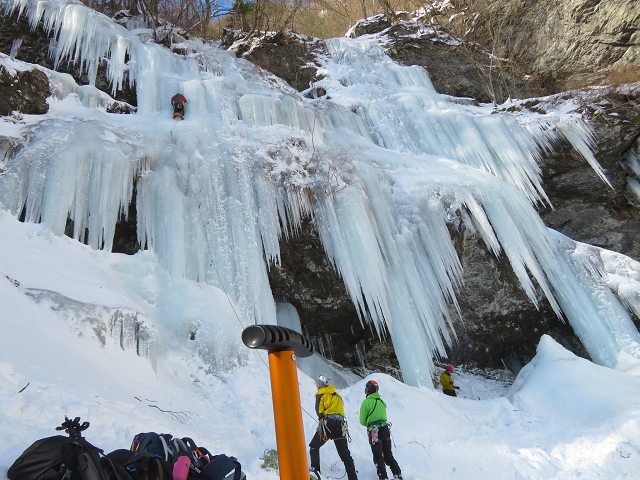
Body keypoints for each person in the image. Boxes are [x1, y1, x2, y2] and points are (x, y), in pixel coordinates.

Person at [309, 374, 358, 480]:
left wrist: (323, 420)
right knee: (345, 454)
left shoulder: (321, 394)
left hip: (328, 424)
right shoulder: (337, 396)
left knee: (314, 446)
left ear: (321, 384)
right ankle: (353, 477)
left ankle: (315, 472)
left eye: (318, 383)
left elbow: (319, 412)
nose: (317, 385)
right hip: (340, 426)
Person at [359, 380, 403, 480]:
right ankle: (398, 475)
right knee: (388, 455)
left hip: (374, 431)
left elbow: (362, 421)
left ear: (368, 389)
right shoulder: (381, 401)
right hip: (385, 429)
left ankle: (383, 477)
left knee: (378, 456)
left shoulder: (366, 402)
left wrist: (369, 424)